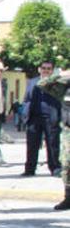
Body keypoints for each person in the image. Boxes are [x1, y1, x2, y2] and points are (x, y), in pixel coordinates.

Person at [38, 70, 70, 210]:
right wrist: (60, 74)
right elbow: (42, 84)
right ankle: (68, 197)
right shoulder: (65, 87)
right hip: (68, 132)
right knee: (66, 166)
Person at [23, 60, 61, 177]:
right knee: (32, 145)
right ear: (39, 69)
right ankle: (30, 169)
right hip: (34, 117)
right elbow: (27, 98)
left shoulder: (57, 83)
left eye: (48, 68)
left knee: (52, 144)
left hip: (51, 118)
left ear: (52, 70)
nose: (46, 70)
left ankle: (54, 168)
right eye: (44, 68)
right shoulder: (32, 82)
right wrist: (25, 113)